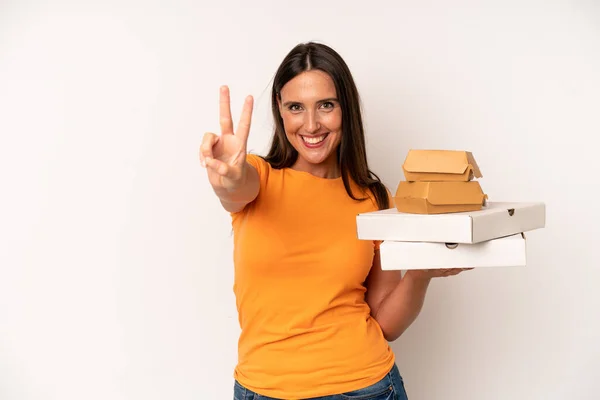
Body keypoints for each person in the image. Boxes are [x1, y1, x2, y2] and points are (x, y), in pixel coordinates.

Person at [200, 42, 469, 400]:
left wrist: (421, 273)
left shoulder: (373, 197)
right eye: (296, 107)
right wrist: (228, 178)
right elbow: (235, 189)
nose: (311, 124)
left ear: (346, 109)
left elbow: (386, 324)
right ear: (280, 110)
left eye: (326, 105)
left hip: (366, 388)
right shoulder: (258, 178)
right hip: (264, 389)